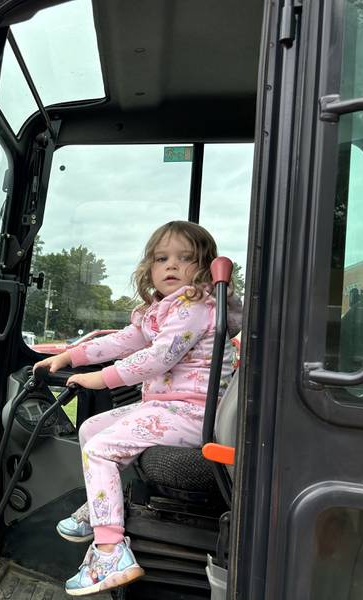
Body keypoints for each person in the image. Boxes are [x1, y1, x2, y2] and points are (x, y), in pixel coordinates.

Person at [34, 221, 242, 596]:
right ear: (149, 267)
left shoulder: (193, 306)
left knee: (101, 450)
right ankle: (99, 508)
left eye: (185, 259)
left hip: (192, 414)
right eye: (162, 259)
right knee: (91, 430)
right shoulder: (161, 310)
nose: (171, 267)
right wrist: (71, 355)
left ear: (205, 267)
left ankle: (110, 552)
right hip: (168, 409)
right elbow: (122, 341)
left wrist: (99, 378)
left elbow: (157, 360)